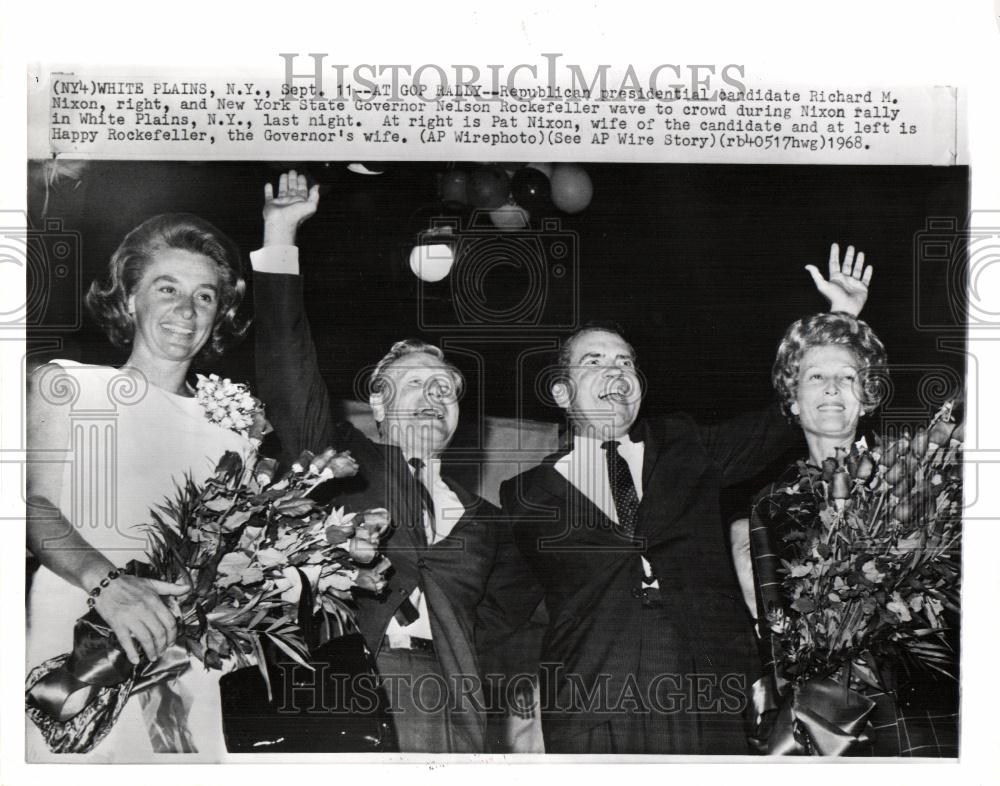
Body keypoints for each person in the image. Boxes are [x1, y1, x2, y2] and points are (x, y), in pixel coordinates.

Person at [492, 246, 873, 754]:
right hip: (593, 704)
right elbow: (501, 615)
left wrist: (840, 319)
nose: (615, 370)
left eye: (624, 361)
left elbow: (779, 416)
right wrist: (523, 706)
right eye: (594, 361)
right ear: (562, 394)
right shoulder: (524, 495)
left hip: (711, 691)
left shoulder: (684, 442)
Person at [251, 171, 502, 753]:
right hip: (360, 683)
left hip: (462, 707)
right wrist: (281, 232)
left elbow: (512, 618)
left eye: (448, 390)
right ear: (381, 405)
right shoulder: (345, 462)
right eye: (419, 384)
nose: (438, 398)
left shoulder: (484, 518)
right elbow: (290, 379)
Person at [26, 213, 252, 760]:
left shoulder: (237, 429)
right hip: (75, 632)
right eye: (166, 288)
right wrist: (109, 586)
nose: (186, 310)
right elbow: (28, 504)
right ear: (129, 299)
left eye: (204, 297)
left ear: (218, 314)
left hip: (183, 659)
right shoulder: (70, 385)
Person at [745, 312, 958, 755]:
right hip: (827, 716)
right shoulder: (769, 503)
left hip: (922, 701)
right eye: (816, 376)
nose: (831, 388)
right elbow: (776, 623)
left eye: (848, 377)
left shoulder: (915, 475)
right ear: (792, 401)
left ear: (867, 399)